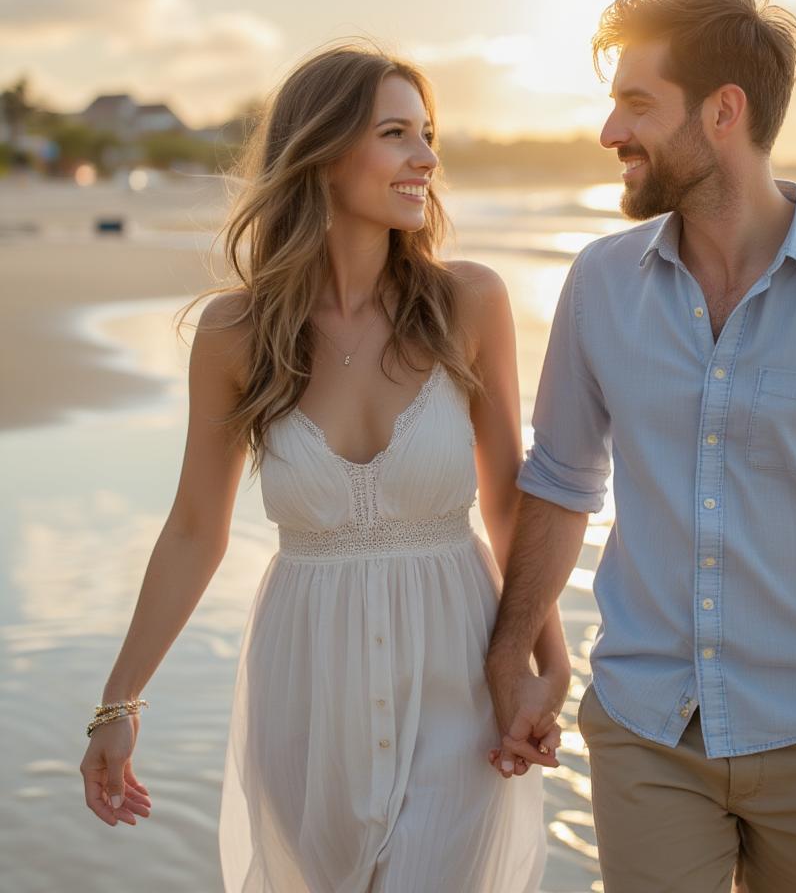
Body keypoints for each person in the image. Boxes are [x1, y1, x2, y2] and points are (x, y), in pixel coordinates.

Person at [485, 0, 796, 893]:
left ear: (723, 112)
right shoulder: (599, 284)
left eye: (637, 103)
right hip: (644, 731)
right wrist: (509, 656)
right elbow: (559, 482)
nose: (608, 132)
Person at [79, 44, 566, 892]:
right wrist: (120, 704)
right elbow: (196, 529)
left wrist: (539, 668)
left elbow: (509, 504)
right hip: (306, 684)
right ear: (325, 151)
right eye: (396, 134)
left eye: (428, 133)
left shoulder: (470, 303)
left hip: (457, 664)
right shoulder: (237, 333)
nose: (427, 158)